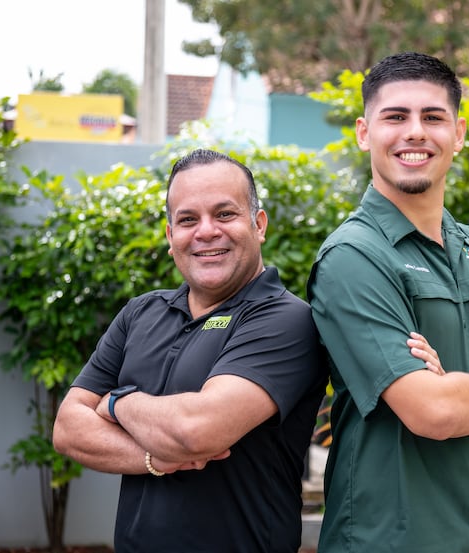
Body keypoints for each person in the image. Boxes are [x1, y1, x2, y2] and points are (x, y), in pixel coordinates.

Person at [307, 52, 469, 553]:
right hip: (395, 540)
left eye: (433, 117)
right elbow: (432, 413)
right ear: (365, 133)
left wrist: (456, 398)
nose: (415, 133)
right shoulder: (353, 258)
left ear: (460, 133)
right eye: (396, 117)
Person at [53, 149, 327, 553]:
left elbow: (198, 431)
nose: (206, 231)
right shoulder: (140, 313)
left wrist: (116, 402)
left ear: (259, 224)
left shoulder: (287, 320)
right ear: (170, 237)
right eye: (187, 219)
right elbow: (68, 429)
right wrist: (155, 457)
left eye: (225, 214)